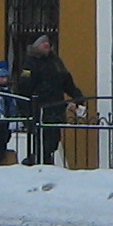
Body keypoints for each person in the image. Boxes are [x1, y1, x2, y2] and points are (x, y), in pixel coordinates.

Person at [14, 33, 84, 167]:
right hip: (39, 110)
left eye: (47, 42)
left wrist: (78, 98)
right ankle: (38, 163)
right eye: (42, 42)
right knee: (40, 141)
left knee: (53, 140)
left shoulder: (56, 62)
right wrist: (26, 111)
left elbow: (67, 82)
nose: (46, 44)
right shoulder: (30, 63)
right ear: (35, 46)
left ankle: (44, 161)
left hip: (55, 108)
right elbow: (24, 89)